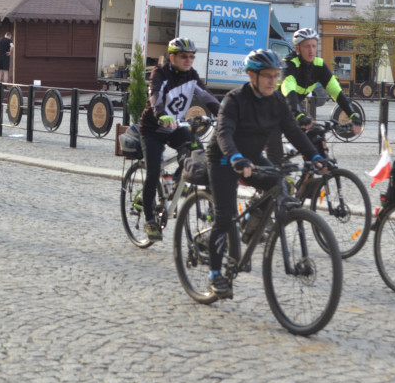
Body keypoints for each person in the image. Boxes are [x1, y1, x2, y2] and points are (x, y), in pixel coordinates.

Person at [205, 49, 326, 300]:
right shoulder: (234, 99)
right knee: (224, 216)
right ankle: (215, 273)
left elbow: (293, 131)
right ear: (252, 76)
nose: (273, 80)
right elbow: (223, 133)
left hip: (250, 156)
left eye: (276, 75)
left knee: (278, 183)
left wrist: (314, 156)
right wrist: (235, 157)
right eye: (267, 76)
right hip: (224, 159)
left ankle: (253, 221)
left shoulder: (276, 101)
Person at [137, 37, 221, 242]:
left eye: (192, 56)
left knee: (201, 157)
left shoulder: (192, 76)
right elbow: (154, 94)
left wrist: (225, 114)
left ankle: (176, 183)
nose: (189, 60)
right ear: (172, 57)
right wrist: (160, 113)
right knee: (153, 172)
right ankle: (149, 220)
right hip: (153, 128)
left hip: (176, 128)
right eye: (184, 56)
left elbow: (208, 97)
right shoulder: (160, 73)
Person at [266, 28, 361, 163]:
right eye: (306, 46)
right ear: (297, 48)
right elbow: (289, 92)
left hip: (292, 111)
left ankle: (311, 179)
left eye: (314, 46)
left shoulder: (319, 65)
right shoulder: (288, 65)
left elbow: (336, 91)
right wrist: (299, 115)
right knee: (276, 162)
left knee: (316, 142)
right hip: (273, 113)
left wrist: (352, 114)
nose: (311, 50)